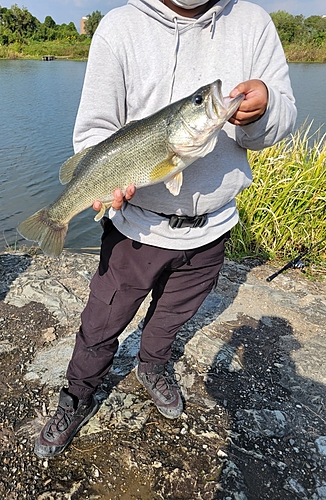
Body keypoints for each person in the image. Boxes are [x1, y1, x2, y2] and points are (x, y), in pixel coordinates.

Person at [34, 0, 297, 458]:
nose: (210, 99)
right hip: (135, 231)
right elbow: (94, 133)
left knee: (173, 317)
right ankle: (76, 395)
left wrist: (266, 108)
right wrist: (102, 185)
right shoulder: (119, 27)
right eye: (201, 102)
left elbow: (280, 123)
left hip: (212, 229)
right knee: (101, 322)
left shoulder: (253, 23)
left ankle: (152, 367)